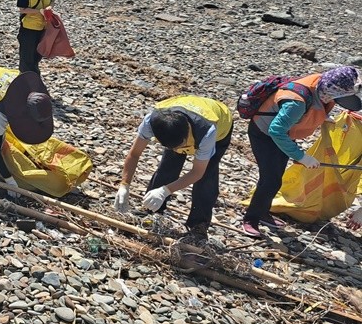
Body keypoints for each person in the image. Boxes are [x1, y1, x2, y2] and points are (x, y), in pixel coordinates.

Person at [242, 66, 362, 238]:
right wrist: (302, 156)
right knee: (270, 180)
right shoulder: (296, 103)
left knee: (277, 177)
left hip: (285, 134)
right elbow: (276, 131)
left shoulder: (323, 84)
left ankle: (263, 212)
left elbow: (315, 106)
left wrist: (323, 118)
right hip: (264, 134)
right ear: (333, 91)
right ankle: (250, 220)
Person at [114, 95, 233, 242]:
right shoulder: (153, 122)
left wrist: (166, 191)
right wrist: (124, 185)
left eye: (180, 146)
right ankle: (152, 209)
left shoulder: (207, 131)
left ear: (187, 134)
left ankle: (198, 226)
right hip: (182, 119)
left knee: (207, 177)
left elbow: (197, 172)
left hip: (220, 125)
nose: (178, 150)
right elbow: (134, 154)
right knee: (168, 166)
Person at [16, 0, 54, 74]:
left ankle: (34, 73)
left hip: (43, 26)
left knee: (38, 54)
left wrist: (50, 7)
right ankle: (26, 77)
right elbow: (22, 9)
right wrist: (39, 11)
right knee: (27, 56)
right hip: (29, 28)